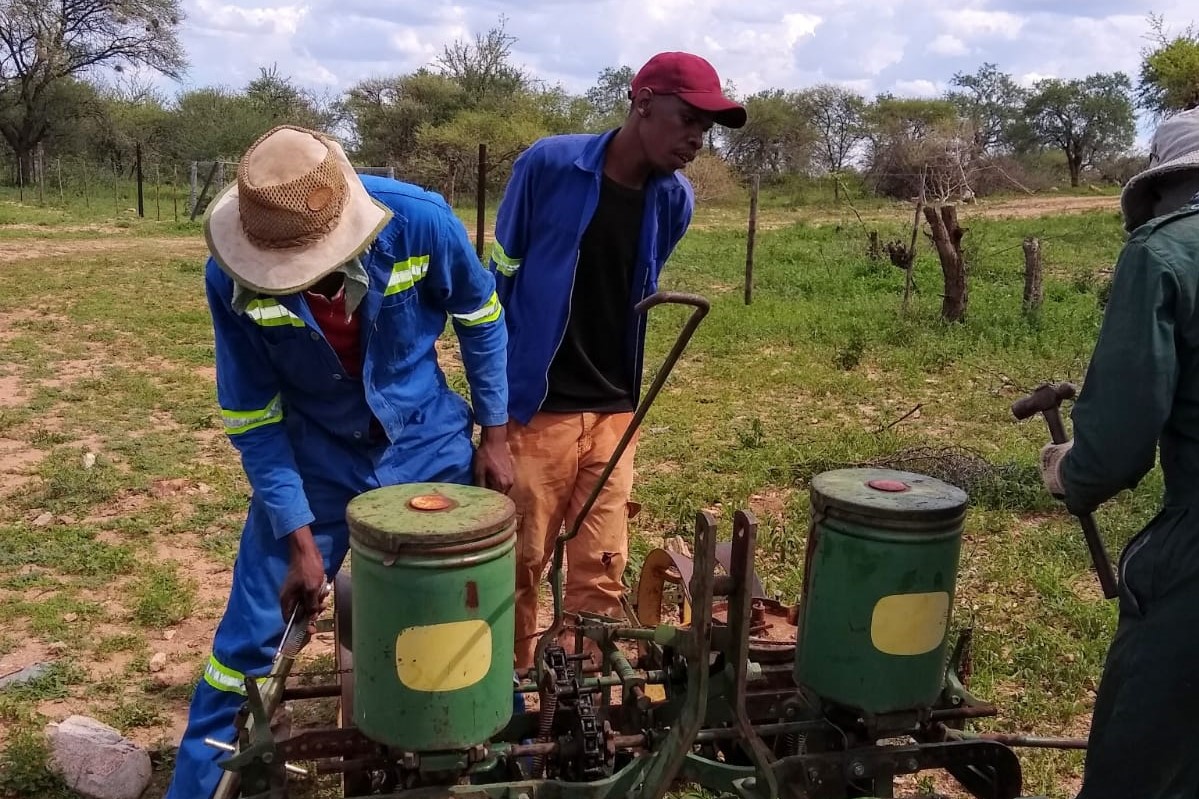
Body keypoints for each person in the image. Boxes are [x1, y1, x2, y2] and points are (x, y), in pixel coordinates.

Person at [166, 124, 513, 798]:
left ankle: (484, 754)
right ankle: (198, 783)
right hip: (314, 454)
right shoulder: (231, 276)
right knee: (252, 634)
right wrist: (298, 537)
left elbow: (480, 315)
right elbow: (252, 416)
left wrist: (495, 438)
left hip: (425, 439)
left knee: (460, 604)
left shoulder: (419, 223)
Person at [487, 52, 747, 670]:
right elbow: (500, 283)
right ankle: (511, 688)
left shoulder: (673, 199)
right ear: (643, 101)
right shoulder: (548, 166)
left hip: (615, 411)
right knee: (519, 563)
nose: (696, 140)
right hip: (537, 409)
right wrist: (494, 412)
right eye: (687, 119)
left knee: (602, 567)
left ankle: (582, 688)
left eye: (706, 129)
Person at [1038, 106, 1199, 799]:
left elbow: (1116, 445)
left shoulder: (1162, 251)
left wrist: (1070, 469)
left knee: (1139, 762)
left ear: (1161, 188)